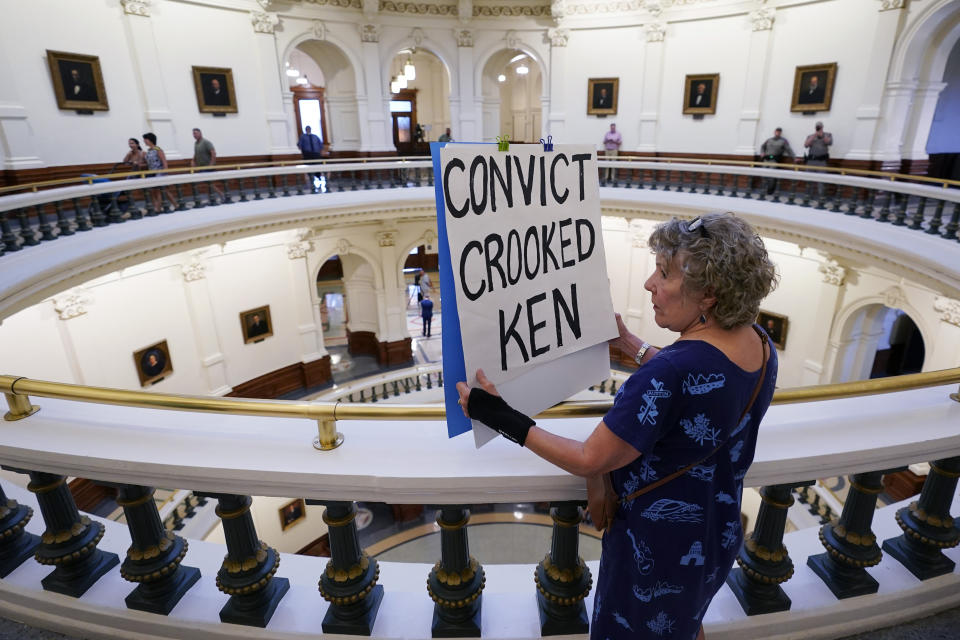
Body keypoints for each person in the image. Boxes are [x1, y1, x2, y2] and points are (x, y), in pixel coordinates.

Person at [456, 212, 779, 640]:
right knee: (684, 625)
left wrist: (497, 414)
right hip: (715, 534)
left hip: (654, 549)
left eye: (664, 273)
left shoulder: (668, 374)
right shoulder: (759, 342)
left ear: (709, 295)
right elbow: (703, 382)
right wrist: (631, 345)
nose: (649, 284)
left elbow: (589, 457)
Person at [142, 132, 179, 212]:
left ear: (150, 140)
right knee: (158, 191)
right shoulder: (148, 151)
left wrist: (165, 173)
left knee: (160, 190)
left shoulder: (158, 150)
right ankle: (174, 204)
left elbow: (164, 162)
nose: (144, 141)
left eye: (145, 139)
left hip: (159, 173)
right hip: (151, 173)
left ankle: (157, 208)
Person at [759, 127, 795, 196]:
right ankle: (764, 188)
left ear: (781, 133)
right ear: (774, 132)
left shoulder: (783, 141)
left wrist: (794, 158)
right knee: (763, 174)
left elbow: (789, 150)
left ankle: (770, 191)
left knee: (772, 175)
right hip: (766, 159)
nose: (778, 133)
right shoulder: (769, 140)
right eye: (777, 131)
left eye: (779, 132)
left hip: (774, 160)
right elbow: (762, 146)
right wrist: (762, 153)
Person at [191, 128, 225, 202]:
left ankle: (221, 194)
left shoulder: (206, 142)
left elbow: (213, 153)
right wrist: (193, 161)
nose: (194, 135)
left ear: (200, 133)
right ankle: (212, 198)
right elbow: (196, 153)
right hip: (200, 167)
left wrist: (211, 164)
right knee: (207, 184)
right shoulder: (196, 143)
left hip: (207, 166)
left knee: (209, 183)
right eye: (193, 134)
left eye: (196, 133)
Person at [803, 121, 833, 198]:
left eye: (820, 126)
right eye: (817, 127)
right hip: (811, 161)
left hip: (822, 162)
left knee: (821, 180)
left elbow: (829, 142)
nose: (818, 128)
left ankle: (821, 197)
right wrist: (814, 136)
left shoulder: (828, 134)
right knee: (809, 179)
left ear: (822, 127)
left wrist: (822, 135)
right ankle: (808, 196)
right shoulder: (810, 136)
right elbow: (806, 145)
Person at [298, 126, 324, 190]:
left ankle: (318, 179)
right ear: (305, 130)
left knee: (317, 167)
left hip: (316, 154)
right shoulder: (303, 137)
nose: (308, 130)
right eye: (307, 129)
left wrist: (319, 151)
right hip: (307, 155)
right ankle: (311, 180)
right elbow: (299, 145)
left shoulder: (315, 136)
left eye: (309, 129)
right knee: (309, 167)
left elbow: (320, 144)